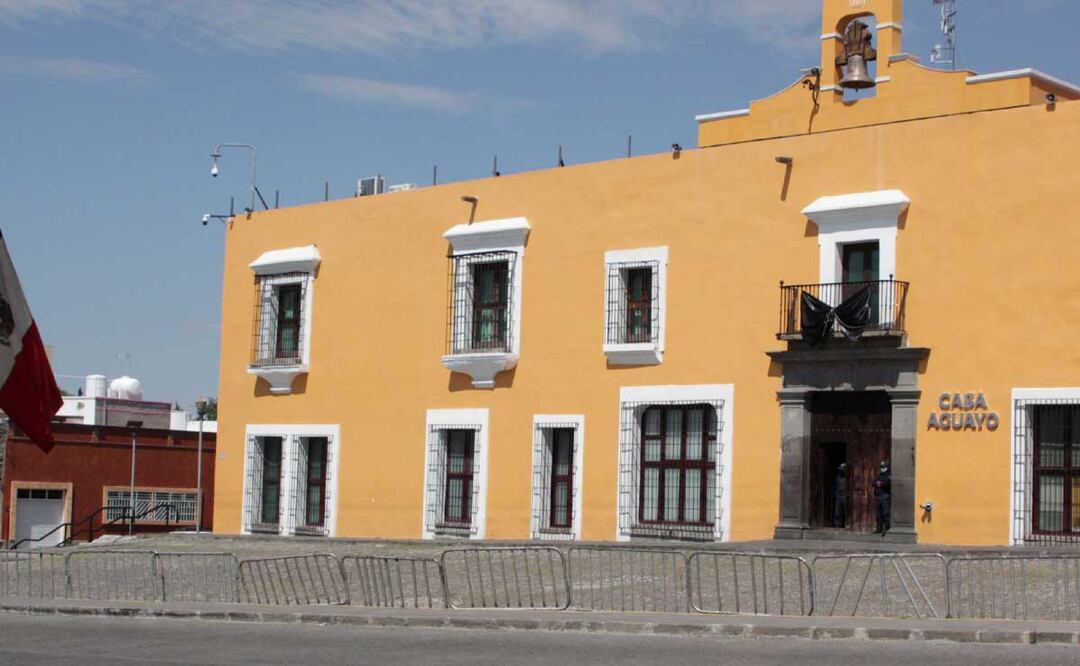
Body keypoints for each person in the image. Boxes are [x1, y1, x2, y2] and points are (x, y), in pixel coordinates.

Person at [873, 460, 891, 535]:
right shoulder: (879, 475)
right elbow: (873, 482)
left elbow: (887, 483)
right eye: (881, 467)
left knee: (886, 513)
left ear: (887, 467)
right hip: (878, 497)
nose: (882, 468)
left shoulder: (889, 475)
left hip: (885, 496)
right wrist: (878, 483)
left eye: (884, 467)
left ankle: (886, 528)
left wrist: (880, 483)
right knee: (878, 514)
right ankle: (878, 528)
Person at [833, 462, 848, 528]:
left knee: (846, 510)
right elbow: (836, 486)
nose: (841, 470)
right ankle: (837, 524)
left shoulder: (848, 478)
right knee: (837, 510)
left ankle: (846, 524)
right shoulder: (838, 477)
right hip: (839, 495)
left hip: (845, 495)